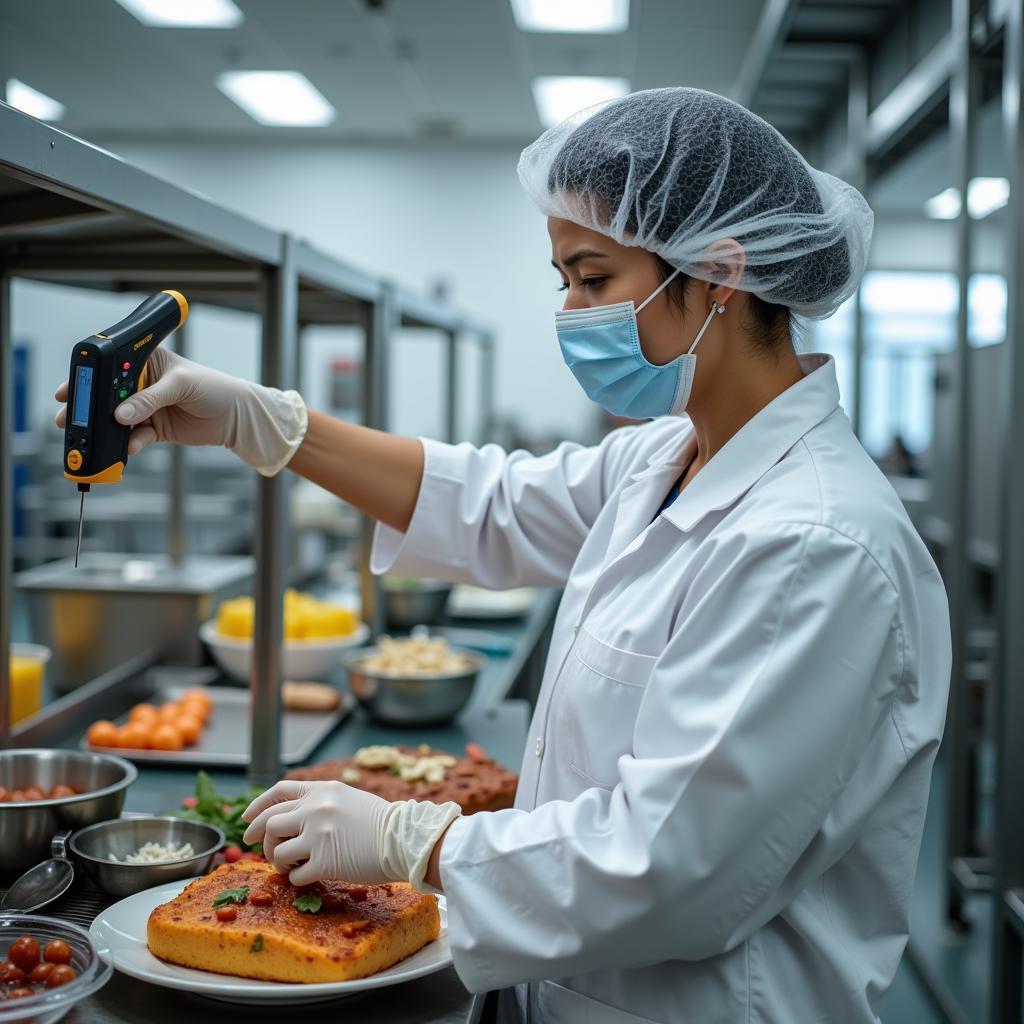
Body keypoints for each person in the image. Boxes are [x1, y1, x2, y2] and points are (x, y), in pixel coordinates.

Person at [56, 87, 951, 1023]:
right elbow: (487, 504)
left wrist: (415, 841)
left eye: (595, 278)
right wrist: (267, 424)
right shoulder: (670, 453)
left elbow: (674, 868)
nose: (570, 311)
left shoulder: (816, 543)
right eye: (561, 278)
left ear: (719, 274)